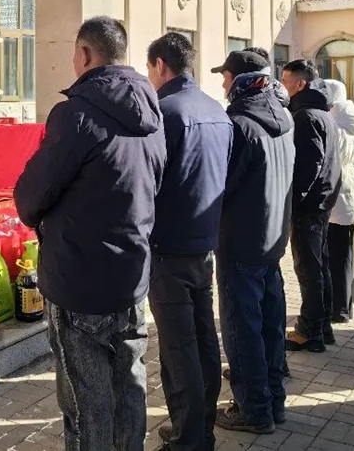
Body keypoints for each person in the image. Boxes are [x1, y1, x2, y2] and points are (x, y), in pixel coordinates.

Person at [15, 17, 166, 451]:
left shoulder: (76, 114)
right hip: (131, 272)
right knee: (129, 384)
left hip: (79, 279)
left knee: (87, 402)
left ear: (84, 55)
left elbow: (31, 197)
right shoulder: (153, 111)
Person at [146, 33, 230, 451]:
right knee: (203, 339)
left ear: (160, 65)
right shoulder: (216, 109)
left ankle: (188, 438)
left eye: (150, 69)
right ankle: (200, 426)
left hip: (168, 247)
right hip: (203, 243)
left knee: (178, 350)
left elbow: (149, 180)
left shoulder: (165, 113)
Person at [211, 49, 295, 434]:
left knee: (241, 328)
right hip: (272, 239)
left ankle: (253, 409)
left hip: (241, 241)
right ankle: (274, 400)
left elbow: (222, 185)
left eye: (226, 77)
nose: (222, 84)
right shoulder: (284, 118)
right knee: (270, 325)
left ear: (240, 81)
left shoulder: (240, 125)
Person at [280, 59, 341, 354]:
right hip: (322, 200)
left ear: (300, 84)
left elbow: (308, 165)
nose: (282, 86)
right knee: (318, 265)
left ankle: (310, 330)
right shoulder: (321, 112)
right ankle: (322, 326)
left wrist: (293, 202)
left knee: (308, 268)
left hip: (310, 205)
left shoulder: (305, 116)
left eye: (285, 81)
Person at [322, 80, 354, 324]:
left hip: (337, 192)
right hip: (348, 189)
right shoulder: (348, 122)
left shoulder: (333, 125)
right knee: (343, 254)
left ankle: (337, 308)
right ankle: (342, 307)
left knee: (335, 255)